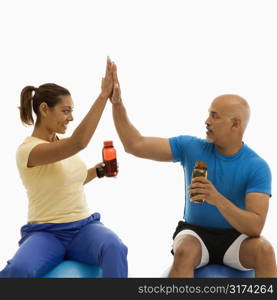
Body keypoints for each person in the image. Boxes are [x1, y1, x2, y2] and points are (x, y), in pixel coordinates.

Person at [109, 64, 277, 277]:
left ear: (235, 124)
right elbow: (135, 144)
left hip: (236, 237)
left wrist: (216, 198)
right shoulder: (191, 147)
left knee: (265, 250)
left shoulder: (257, 167)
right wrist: (117, 103)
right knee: (186, 250)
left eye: (215, 116)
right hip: (195, 234)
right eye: (209, 114)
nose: (207, 121)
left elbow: (254, 227)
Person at [0, 58, 128, 278]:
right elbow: (78, 142)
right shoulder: (29, 150)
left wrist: (96, 172)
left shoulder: (60, 145)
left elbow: (68, 181)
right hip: (46, 233)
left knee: (115, 248)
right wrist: (102, 96)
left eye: (71, 111)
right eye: (65, 111)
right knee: (18, 270)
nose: (71, 117)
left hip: (83, 229)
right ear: (44, 109)